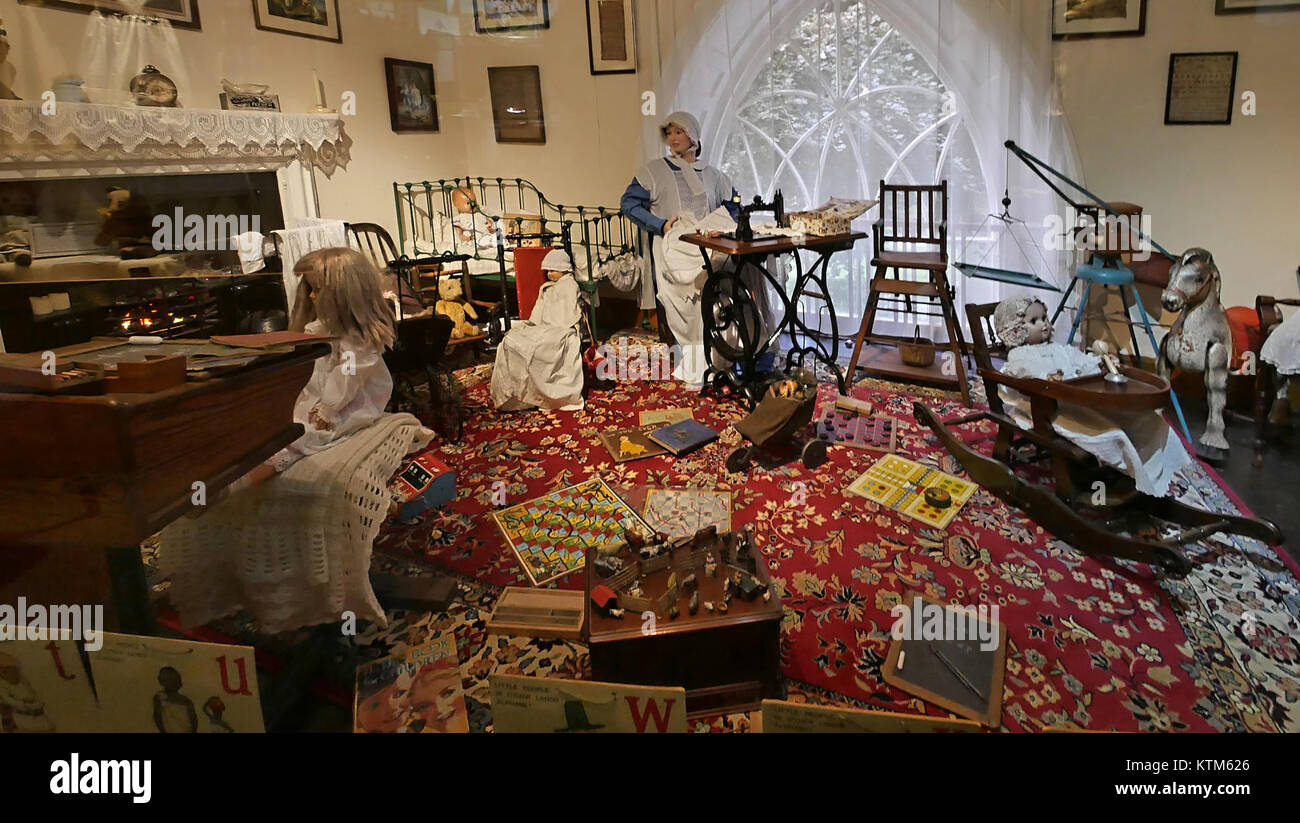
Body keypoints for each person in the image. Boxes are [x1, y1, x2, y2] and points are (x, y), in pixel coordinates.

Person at [992, 295, 1190, 496]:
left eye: (1044, 318)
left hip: (1072, 398)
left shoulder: (1058, 348)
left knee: (1143, 420)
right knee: (1113, 433)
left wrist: (1098, 363)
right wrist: (1048, 378)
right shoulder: (1019, 356)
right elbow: (1025, 373)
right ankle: (1129, 473)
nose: (1043, 324)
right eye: (1034, 321)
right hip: (1043, 407)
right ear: (1015, 331)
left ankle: (1152, 470)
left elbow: (1079, 360)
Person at [239, 247, 396, 486]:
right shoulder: (325, 326)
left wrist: (328, 408)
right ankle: (230, 478)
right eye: (309, 288)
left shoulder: (356, 339)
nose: (311, 296)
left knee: (300, 437)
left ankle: (239, 484)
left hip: (350, 404)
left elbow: (348, 375)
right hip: (319, 397)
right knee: (274, 428)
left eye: (318, 290)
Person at [620, 111, 741, 387]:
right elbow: (628, 203)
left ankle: (723, 355)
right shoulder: (654, 171)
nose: (673, 138)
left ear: (693, 136)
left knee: (725, 290)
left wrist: (721, 224)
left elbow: (733, 205)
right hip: (672, 252)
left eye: (679, 132)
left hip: (707, 247)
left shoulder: (713, 175)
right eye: (670, 133)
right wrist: (660, 225)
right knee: (692, 301)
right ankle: (697, 359)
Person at [491, 248, 585, 411]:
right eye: (547, 271)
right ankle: (515, 393)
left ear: (564, 269)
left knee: (536, 345)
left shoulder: (569, 285)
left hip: (559, 328)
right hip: (545, 326)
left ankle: (536, 393)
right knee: (512, 339)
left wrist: (562, 326)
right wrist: (533, 324)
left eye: (553, 270)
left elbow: (567, 312)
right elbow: (539, 313)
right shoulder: (547, 288)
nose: (549, 274)